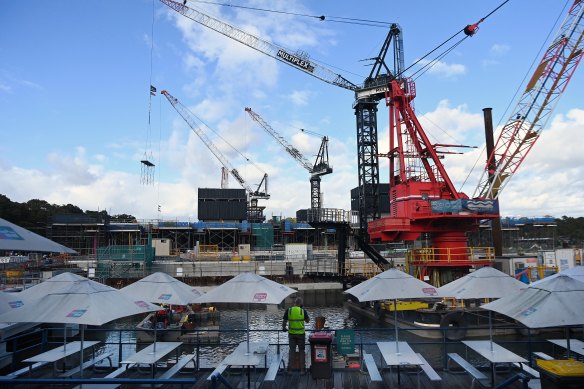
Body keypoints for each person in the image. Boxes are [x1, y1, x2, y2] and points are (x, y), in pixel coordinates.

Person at [282, 296, 310, 374]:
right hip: (301, 334)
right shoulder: (302, 311)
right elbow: (307, 321)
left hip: (291, 334)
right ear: (301, 304)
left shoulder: (289, 310)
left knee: (292, 351)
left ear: (295, 303)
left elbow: (284, 321)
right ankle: (302, 370)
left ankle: (289, 370)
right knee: (301, 351)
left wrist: (284, 328)